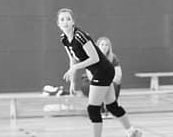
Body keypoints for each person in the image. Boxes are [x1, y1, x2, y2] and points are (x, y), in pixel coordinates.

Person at [57, 8, 141, 137]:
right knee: (112, 106)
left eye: (68, 19)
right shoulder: (64, 38)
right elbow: (72, 59)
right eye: (62, 19)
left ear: (73, 22)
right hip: (101, 71)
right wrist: (72, 83)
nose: (65, 22)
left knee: (93, 109)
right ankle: (132, 132)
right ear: (58, 23)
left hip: (103, 71)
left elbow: (94, 58)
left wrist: (75, 68)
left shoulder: (80, 36)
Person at [82, 37, 122, 116]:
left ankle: (110, 107)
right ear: (97, 46)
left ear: (109, 47)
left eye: (106, 45)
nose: (104, 46)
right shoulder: (91, 57)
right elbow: (90, 76)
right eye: (102, 44)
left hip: (108, 81)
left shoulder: (113, 58)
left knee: (115, 84)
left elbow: (118, 75)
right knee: (96, 87)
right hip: (92, 82)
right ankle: (98, 108)